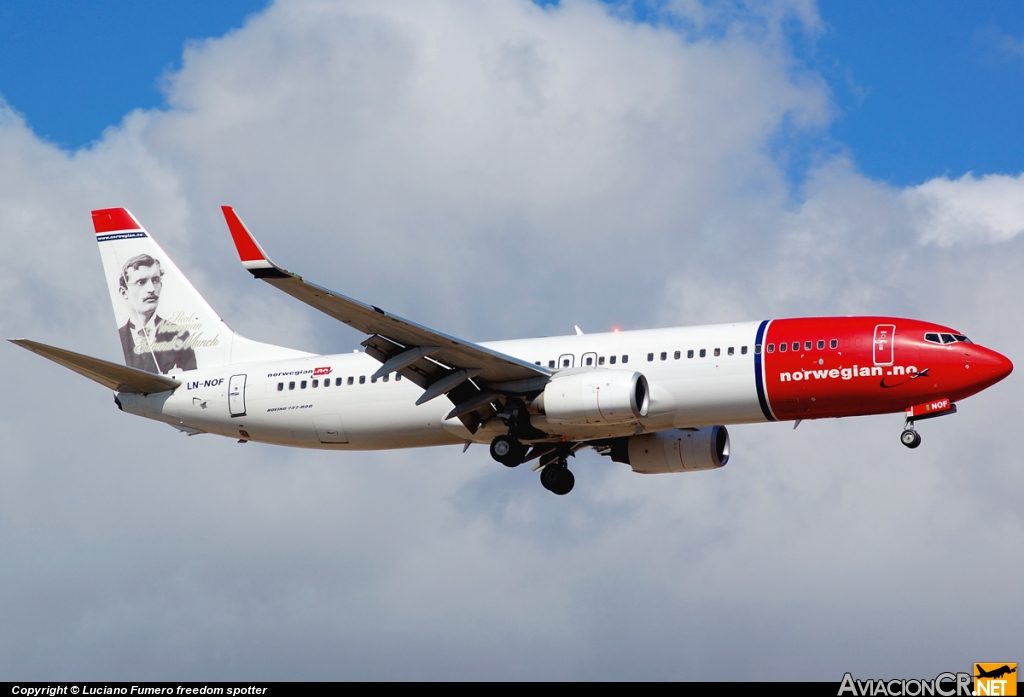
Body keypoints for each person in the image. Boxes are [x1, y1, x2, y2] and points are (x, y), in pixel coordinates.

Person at [117, 254, 197, 373]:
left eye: (155, 280)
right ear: (124, 293)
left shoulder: (179, 334)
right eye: (141, 282)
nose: (151, 289)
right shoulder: (118, 338)